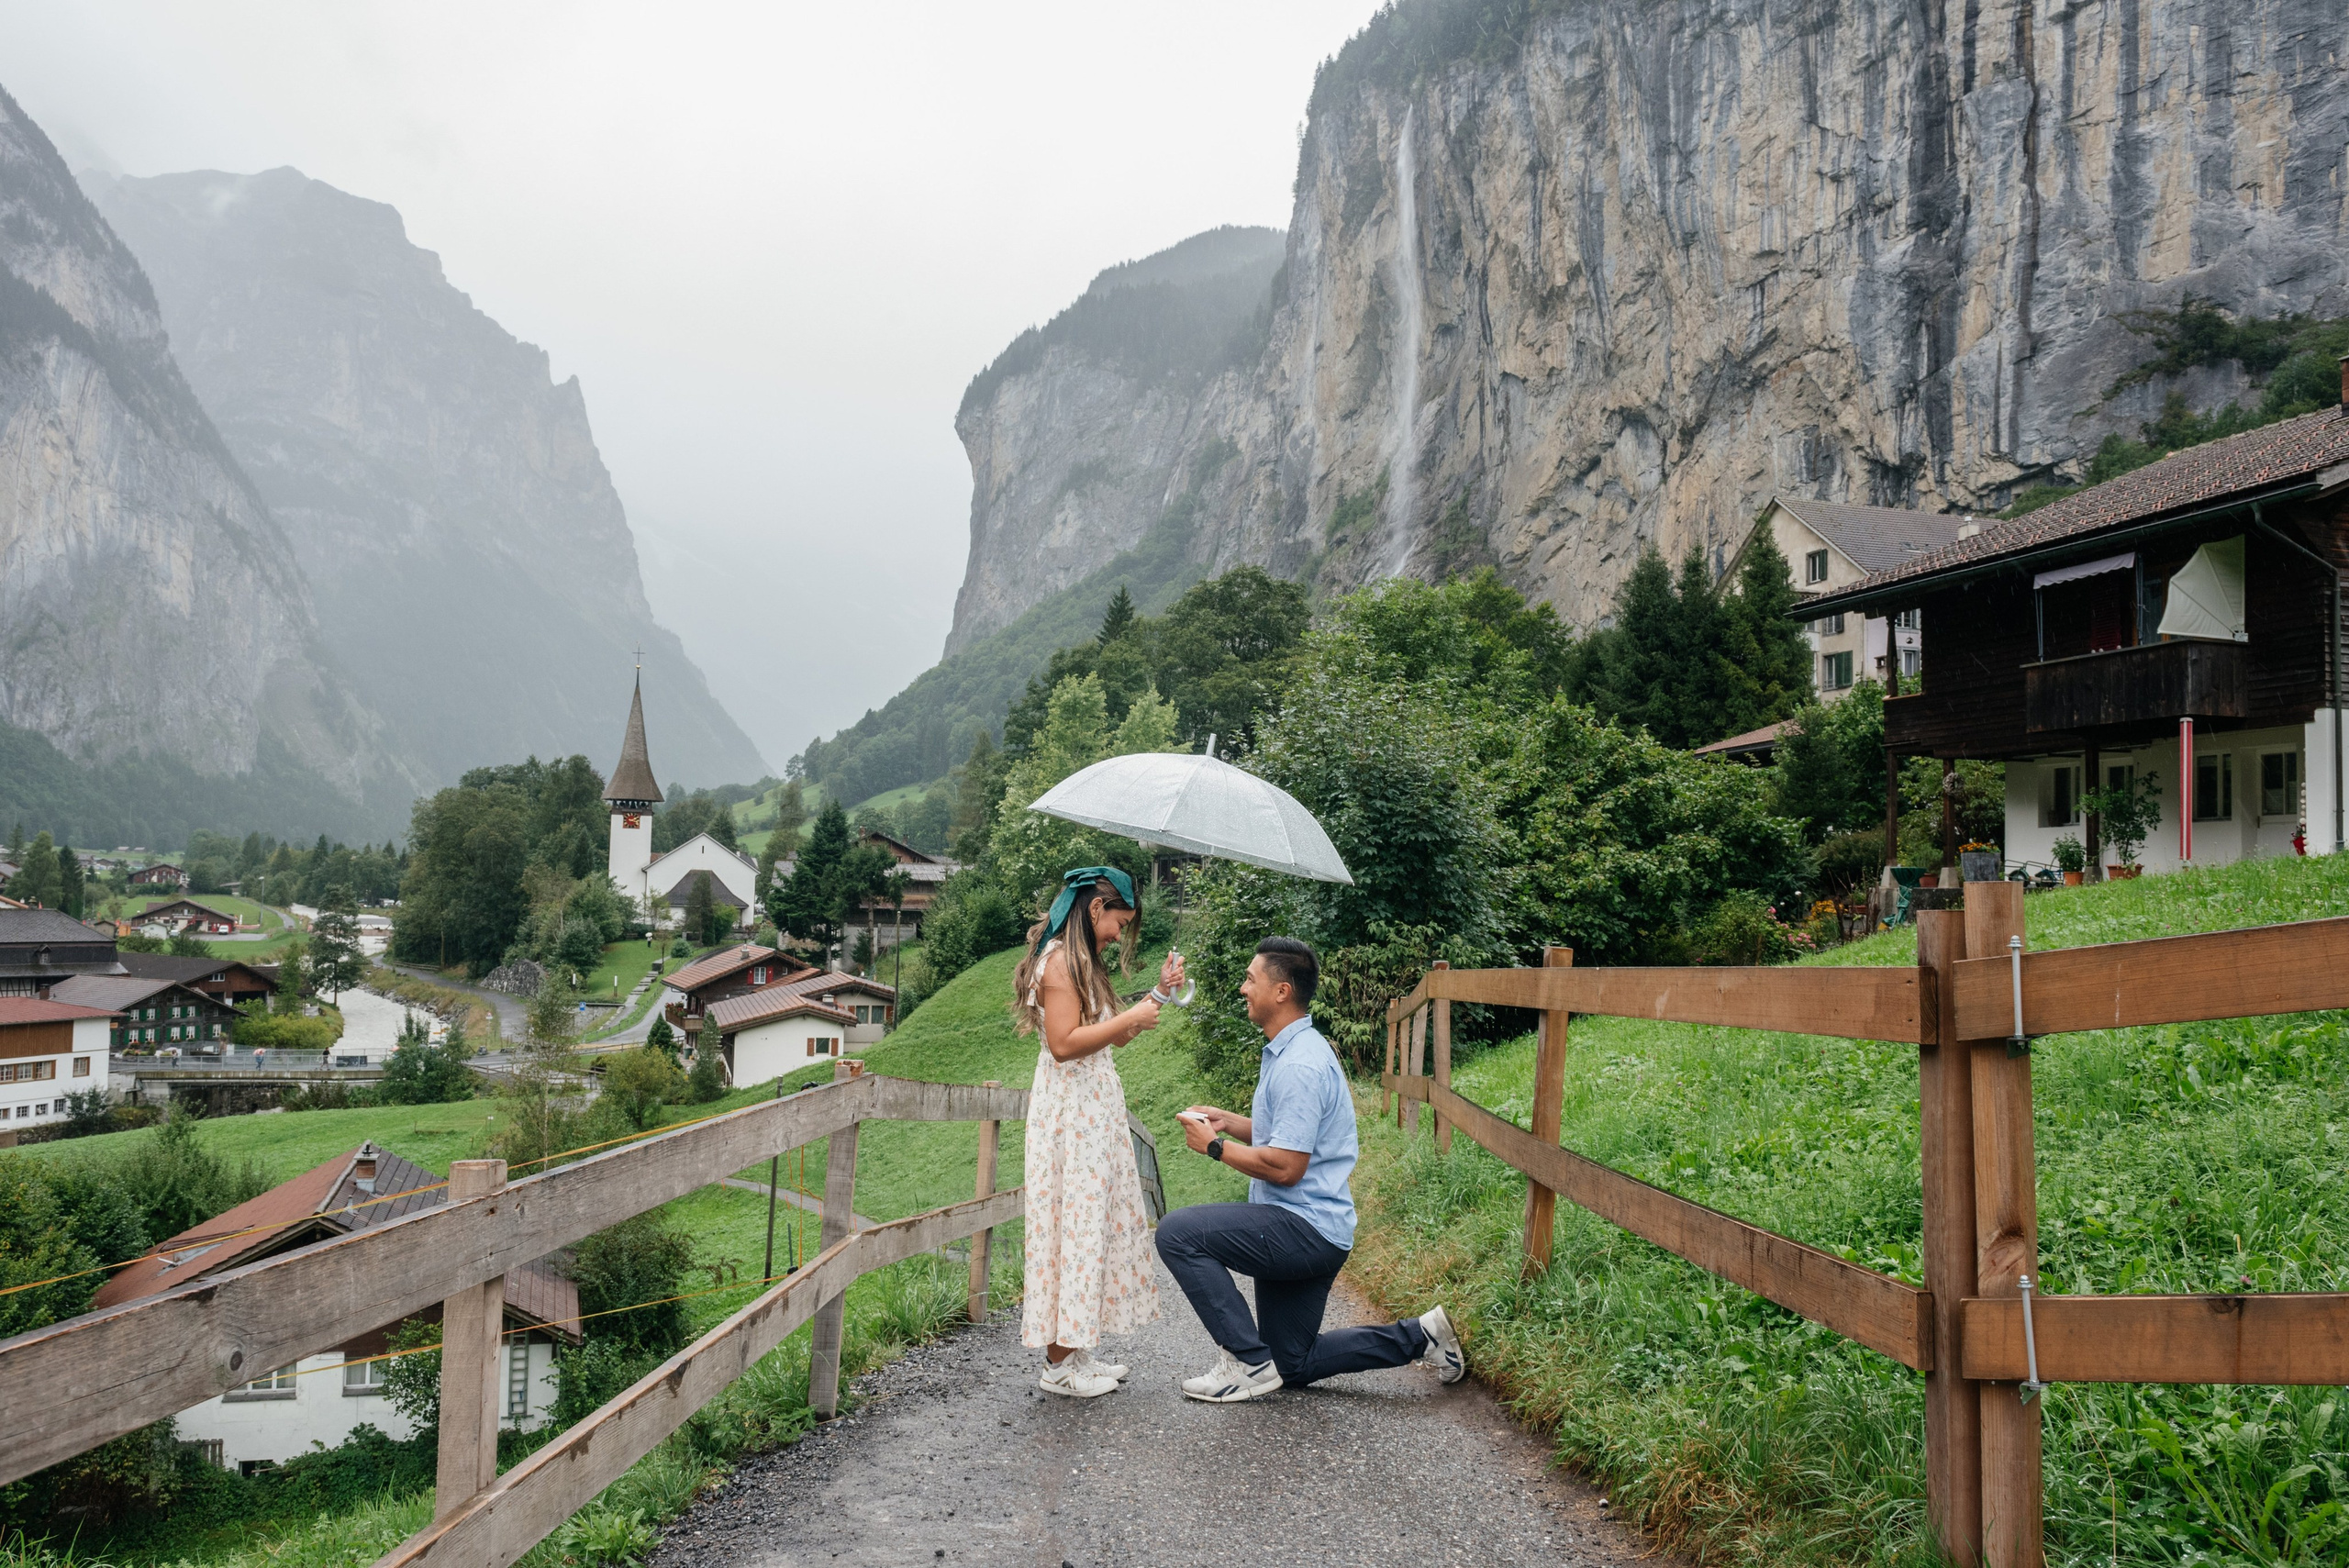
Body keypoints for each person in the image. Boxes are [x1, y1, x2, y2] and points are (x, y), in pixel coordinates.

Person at [1156, 935, 1465, 1402]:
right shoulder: (1294, 1050)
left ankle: (1246, 1363)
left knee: (1177, 1233)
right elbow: (1293, 1137)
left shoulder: (1299, 1064)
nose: (1243, 988)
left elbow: (1286, 1167)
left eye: (1250, 979)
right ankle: (1422, 1336)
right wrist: (1232, 1123)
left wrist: (1215, 1147)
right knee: (1293, 1364)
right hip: (1316, 1230)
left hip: (1302, 1228)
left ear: (1282, 991)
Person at [1013, 866, 1182, 1398]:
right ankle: (1058, 1367)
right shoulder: (1060, 963)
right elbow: (1065, 1043)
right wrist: (1132, 1012)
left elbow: (1110, 1040)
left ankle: (1077, 1351)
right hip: (1071, 1118)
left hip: (1092, 1112)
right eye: (1118, 922)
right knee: (1075, 1227)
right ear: (1095, 909)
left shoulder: (1085, 964)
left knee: (1089, 1226)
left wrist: (1158, 994)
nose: (1118, 934)